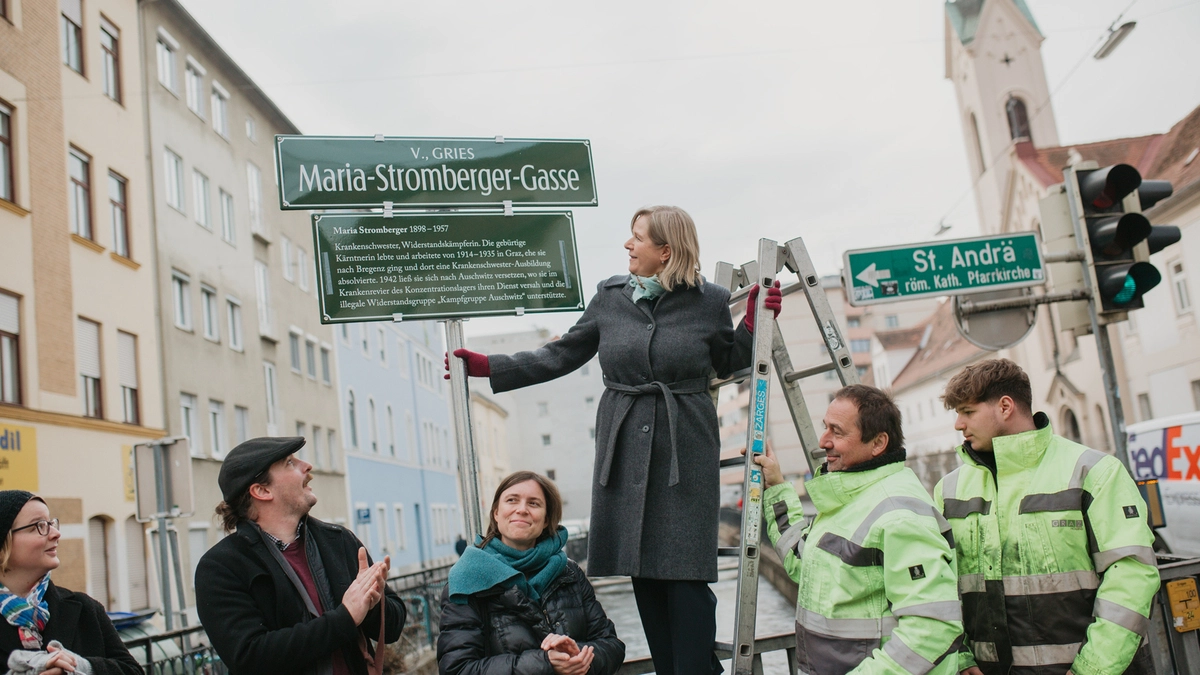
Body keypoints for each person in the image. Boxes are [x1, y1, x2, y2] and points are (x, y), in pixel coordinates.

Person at [449, 205, 780, 674]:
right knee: (642, 572)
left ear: (665, 251)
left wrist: (753, 324)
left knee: (686, 580)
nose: (628, 245)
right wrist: (491, 366)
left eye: (637, 237)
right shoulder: (609, 297)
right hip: (624, 445)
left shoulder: (709, 300)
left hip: (683, 445)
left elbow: (728, 362)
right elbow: (561, 354)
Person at [934, 359, 1158, 675]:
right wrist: (961, 657)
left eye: (967, 412)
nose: (958, 424)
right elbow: (939, 586)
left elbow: (1131, 578)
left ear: (1005, 407)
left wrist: (1091, 670)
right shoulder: (949, 490)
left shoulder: (1094, 473)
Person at [753, 385, 963, 675]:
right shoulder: (849, 499)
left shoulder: (898, 515)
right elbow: (805, 564)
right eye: (825, 427)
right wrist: (777, 488)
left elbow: (933, 626)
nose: (823, 441)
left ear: (878, 443)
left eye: (837, 432)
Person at [195, 437, 406, 675]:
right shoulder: (221, 567)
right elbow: (251, 657)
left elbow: (393, 629)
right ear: (262, 491)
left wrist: (373, 606)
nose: (307, 466)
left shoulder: (339, 541)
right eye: (289, 462)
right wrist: (345, 618)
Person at [437, 471, 623, 675]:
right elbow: (457, 669)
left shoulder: (568, 572)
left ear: (545, 520)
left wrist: (580, 658)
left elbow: (611, 645)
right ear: (496, 513)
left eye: (534, 503)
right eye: (512, 500)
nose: (522, 509)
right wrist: (545, 663)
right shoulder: (468, 579)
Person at [0, 490, 140, 675]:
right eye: (39, 526)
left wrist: (81, 667)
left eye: (51, 523)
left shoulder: (85, 608)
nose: (56, 533)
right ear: (4, 543)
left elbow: (133, 671)